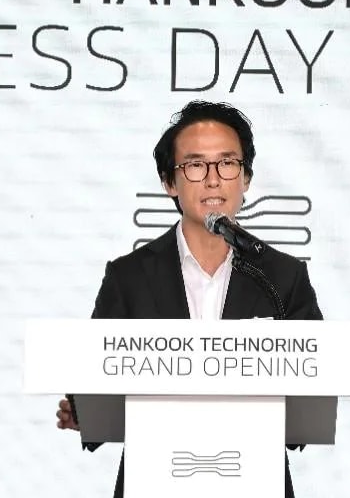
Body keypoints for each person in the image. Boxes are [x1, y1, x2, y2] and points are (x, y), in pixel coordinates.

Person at [55, 100, 323, 497]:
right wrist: (87, 411)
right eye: (195, 165)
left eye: (227, 163)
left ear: (246, 177)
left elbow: (310, 401)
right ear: (169, 182)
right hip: (153, 483)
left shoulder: (282, 276)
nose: (213, 180)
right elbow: (97, 384)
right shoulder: (129, 277)